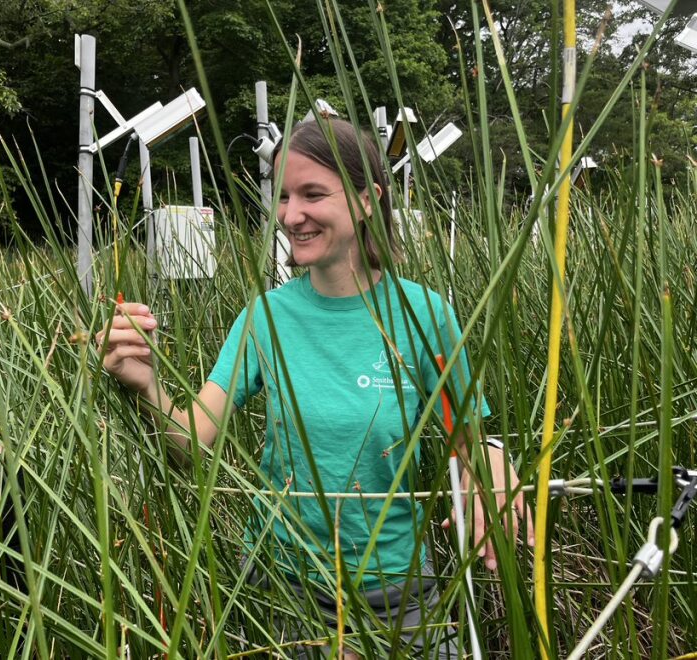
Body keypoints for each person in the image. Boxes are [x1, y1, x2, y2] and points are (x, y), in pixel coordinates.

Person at [97, 118, 533, 658]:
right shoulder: (266, 318)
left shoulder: (426, 317)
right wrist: (144, 383)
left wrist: (491, 461)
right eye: (282, 196)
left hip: (396, 590)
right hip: (284, 591)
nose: (290, 215)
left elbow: (464, 439)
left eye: (312, 194)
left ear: (369, 199)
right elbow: (191, 441)